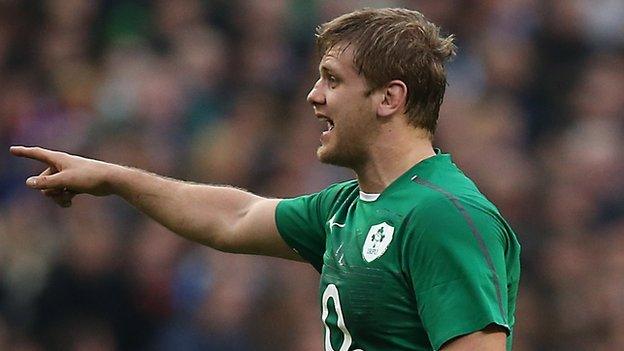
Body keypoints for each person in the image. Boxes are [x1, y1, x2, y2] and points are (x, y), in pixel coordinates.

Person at [10, 8, 520, 351]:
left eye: (333, 80)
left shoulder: (442, 215)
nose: (313, 96)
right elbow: (235, 217)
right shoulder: (349, 207)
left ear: (390, 98)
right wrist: (114, 178)